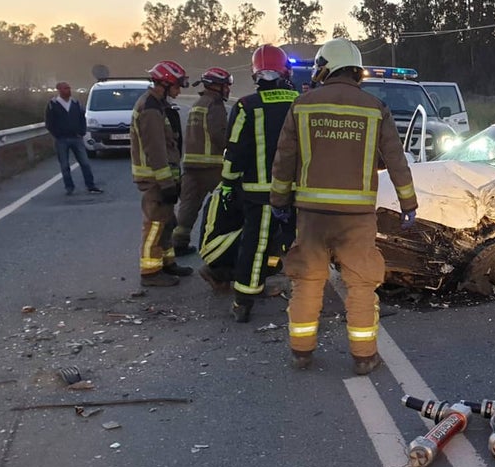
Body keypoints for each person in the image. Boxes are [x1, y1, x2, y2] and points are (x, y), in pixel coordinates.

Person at [270, 37, 418, 374]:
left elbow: (284, 161)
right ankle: (364, 356)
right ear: (355, 70)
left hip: (311, 215)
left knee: (307, 281)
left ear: (326, 67)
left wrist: (279, 201)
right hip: (357, 218)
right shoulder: (374, 107)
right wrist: (408, 202)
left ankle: (301, 351)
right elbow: (396, 159)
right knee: (361, 284)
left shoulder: (303, 105)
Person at [220, 45, 299, 322]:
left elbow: (234, 151)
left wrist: (228, 185)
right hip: (296, 191)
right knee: (294, 241)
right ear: (285, 72)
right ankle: (305, 298)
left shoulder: (246, 106)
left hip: (259, 193)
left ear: (255, 75)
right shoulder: (301, 101)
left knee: (254, 244)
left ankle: (244, 301)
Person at [130, 61, 193, 287]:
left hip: (163, 177)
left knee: (167, 221)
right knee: (155, 223)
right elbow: (156, 149)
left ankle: (167, 263)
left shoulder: (157, 105)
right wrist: (166, 183)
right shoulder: (150, 109)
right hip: (156, 179)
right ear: (164, 83)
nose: (179, 90)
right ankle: (150, 272)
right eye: (176, 85)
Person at [172, 68, 232, 255]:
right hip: (212, 166)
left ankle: (178, 243)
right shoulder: (215, 105)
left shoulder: (198, 103)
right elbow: (218, 134)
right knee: (227, 204)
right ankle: (223, 245)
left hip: (191, 165)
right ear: (216, 86)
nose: (228, 90)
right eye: (226, 86)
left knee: (188, 207)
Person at [44, 82, 102, 195]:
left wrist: (82, 132)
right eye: (65, 88)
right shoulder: (53, 104)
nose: (68, 90)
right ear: (59, 90)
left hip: (76, 138)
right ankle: (69, 187)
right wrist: (57, 134)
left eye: (69, 88)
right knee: (65, 165)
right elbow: (49, 122)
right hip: (61, 139)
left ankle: (91, 185)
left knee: (85, 163)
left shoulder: (75, 103)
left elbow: (82, 118)